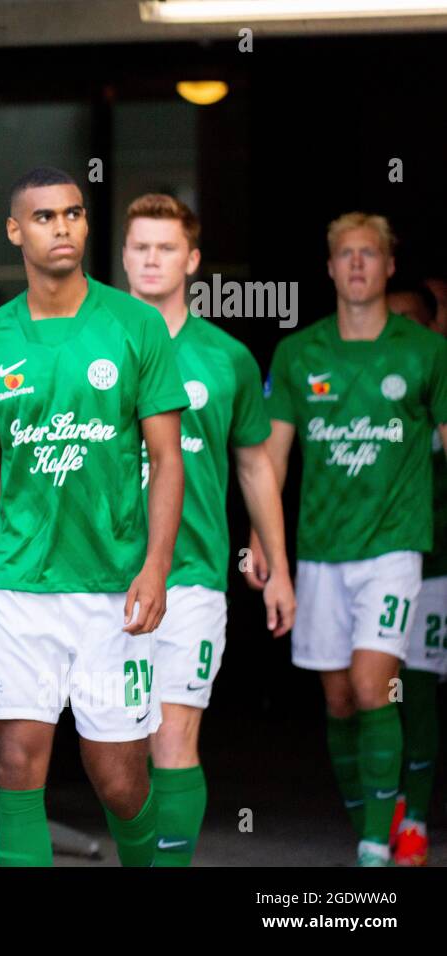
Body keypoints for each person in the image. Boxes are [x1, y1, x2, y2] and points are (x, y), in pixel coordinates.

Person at [0, 166, 188, 867]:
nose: (62, 227)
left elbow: (168, 460)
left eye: (74, 214)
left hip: (111, 590)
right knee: (16, 767)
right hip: (19, 590)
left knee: (118, 778)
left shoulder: (135, 325)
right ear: (14, 230)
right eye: (44, 217)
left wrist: (155, 566)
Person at [251, 213, 447, 866]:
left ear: (391, 268)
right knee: (337, 699)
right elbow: (269, 460)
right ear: (329, 268)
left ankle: (374, 845)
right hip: (318, 553)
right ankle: (372, 814)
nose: (358, 264)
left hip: (394, 549)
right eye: (345, 254)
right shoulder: (297, 352)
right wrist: (262, 541)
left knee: (372, 687)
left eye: (370, 254)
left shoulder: (425, 351)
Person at [121, 193, 295, 865]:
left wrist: (276, 564)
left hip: (192, 577)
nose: (152, 259)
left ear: (191, 260)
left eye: (166, 247)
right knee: (119, 751)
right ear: (125, 256)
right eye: (140, 247)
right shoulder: (95, 343)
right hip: (100, 577)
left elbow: (255, 467)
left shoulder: (228, 358)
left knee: (173, 738)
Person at [384, 278, 446, 865]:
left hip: (437, 566)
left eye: (413, 321)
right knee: (377, 693)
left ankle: (417, 820)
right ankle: (392, 807)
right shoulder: (374, 391)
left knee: (419, 689)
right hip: (377, 564)